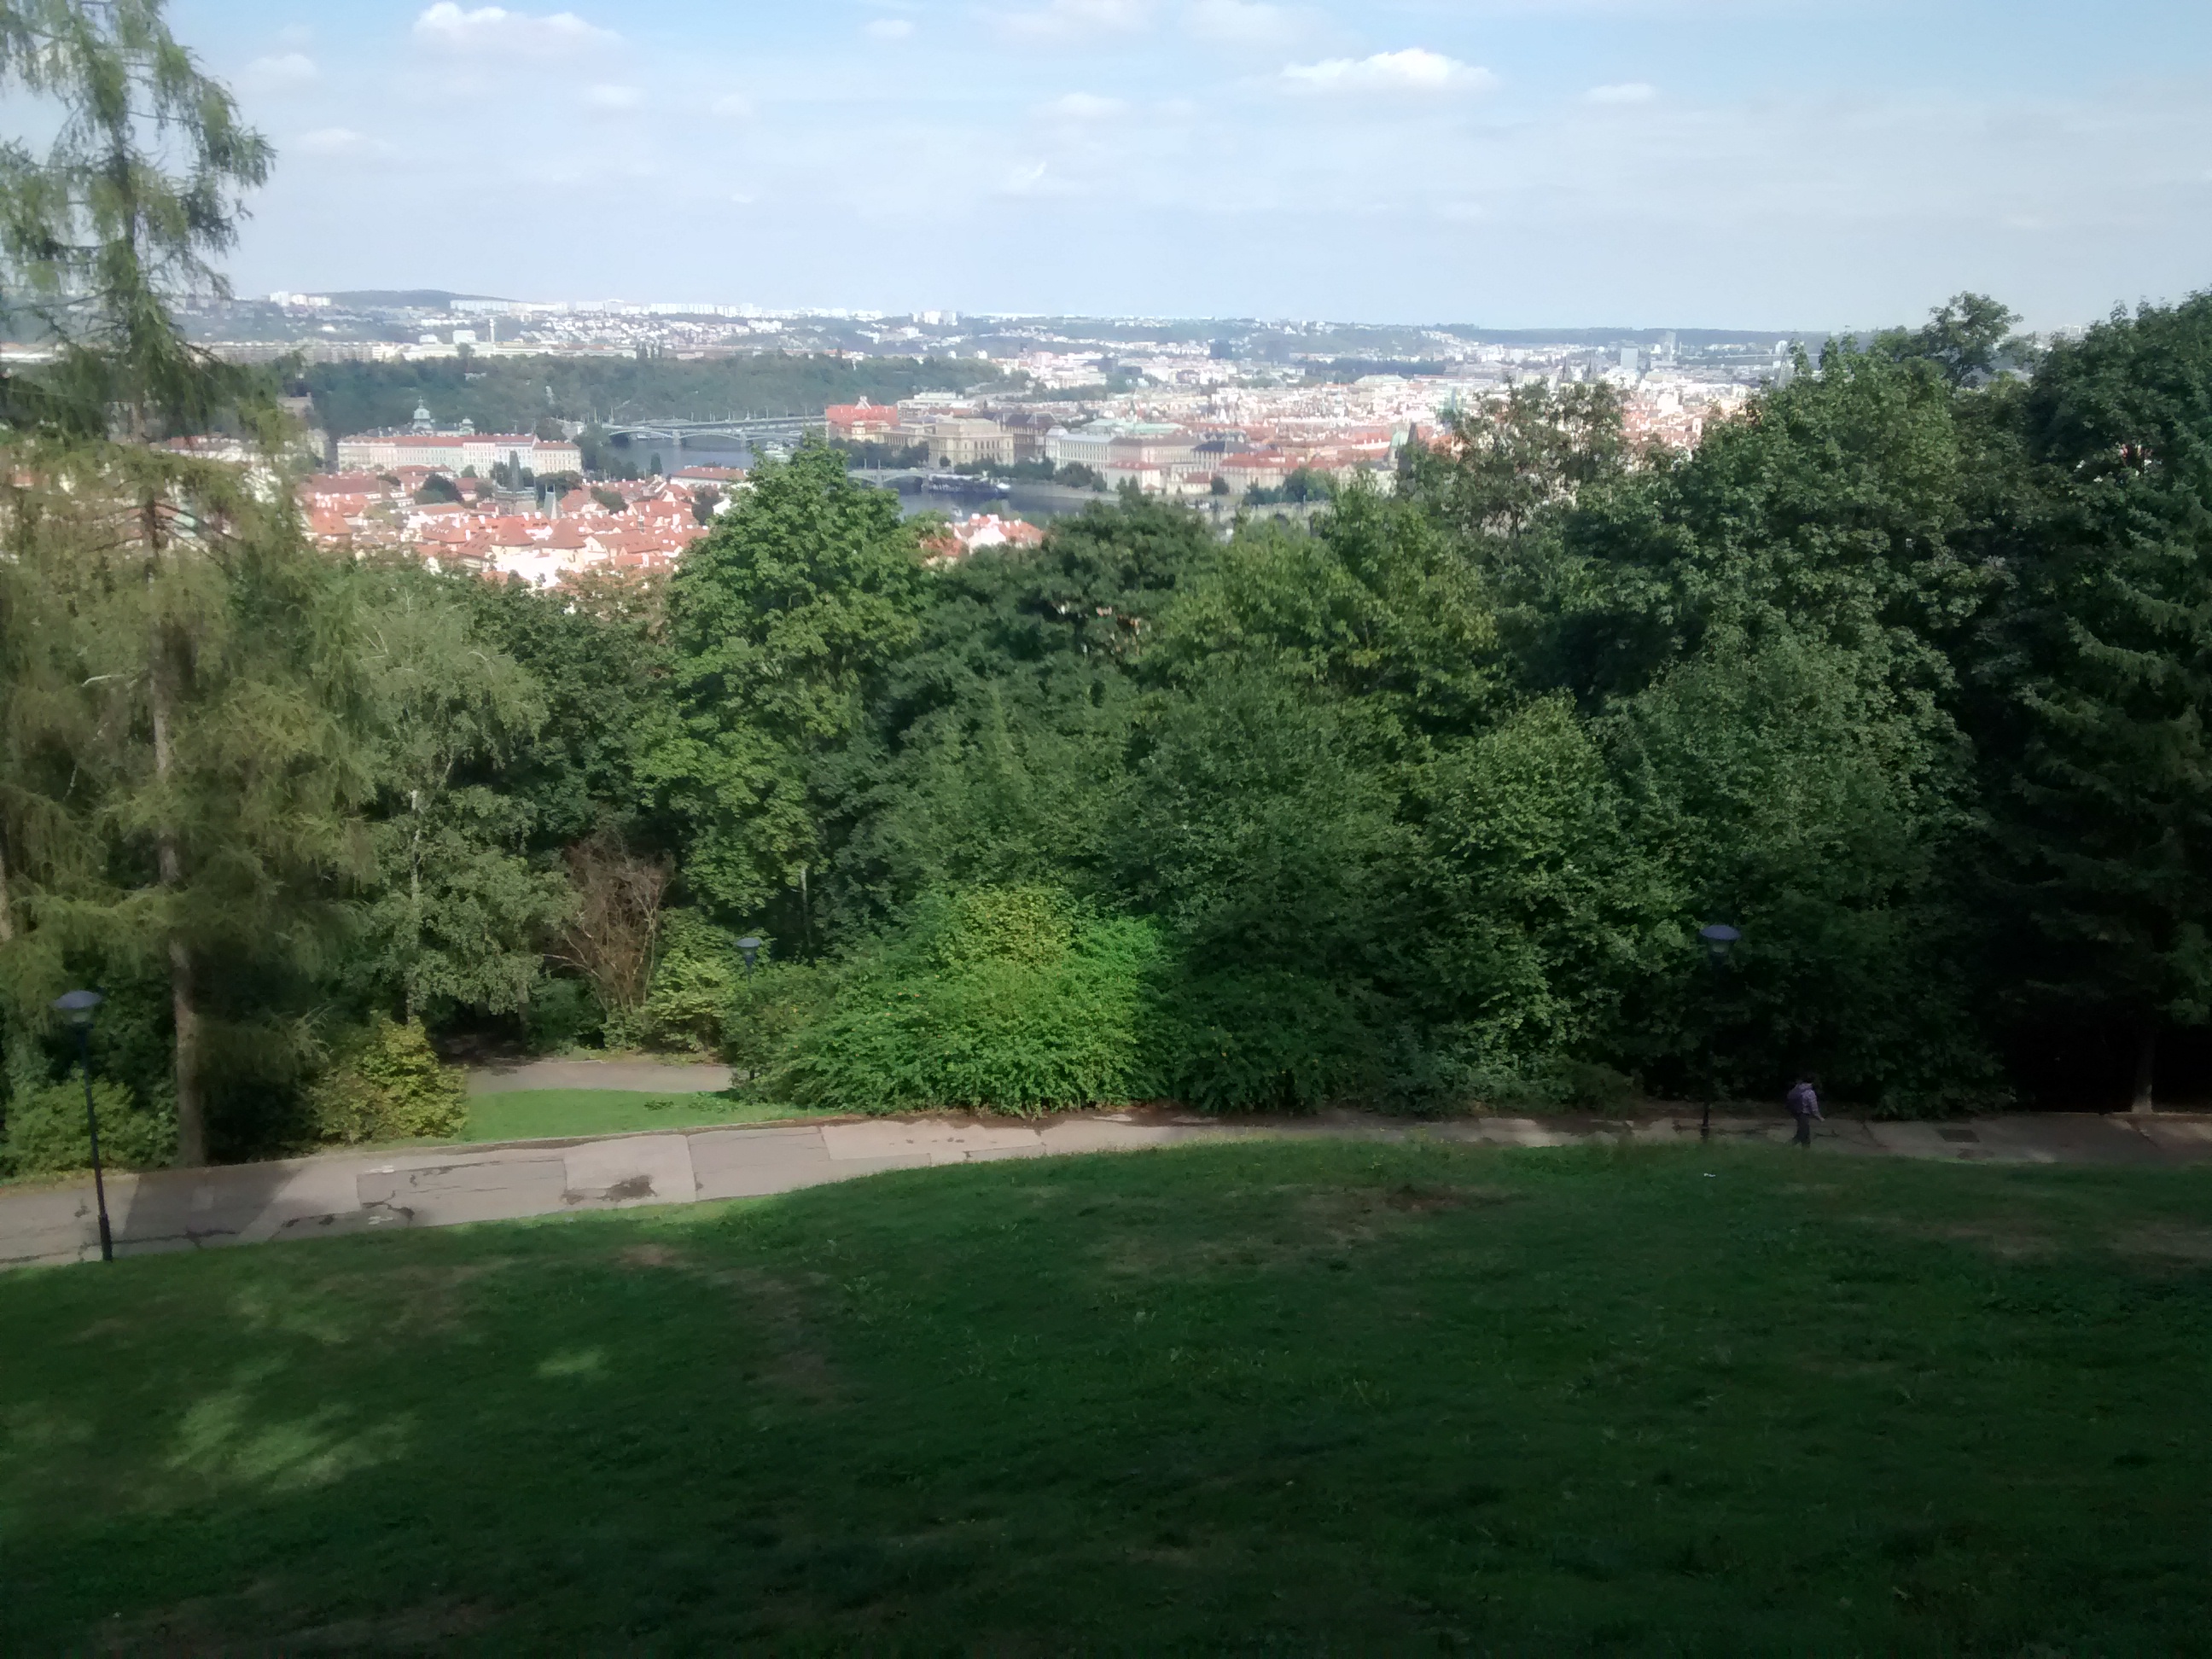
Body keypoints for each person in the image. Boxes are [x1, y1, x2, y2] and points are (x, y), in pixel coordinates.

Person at [1786, 1075, 1821, 1146]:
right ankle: (1786, 1146)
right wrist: (1819, 1117)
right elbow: (1814, 1107)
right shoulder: (1810, 1092)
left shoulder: (1797, 1088)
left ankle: (1806, 1150)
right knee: (1802, 1133)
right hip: (1804, 1114)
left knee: (1806, 1133)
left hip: (1795, 1113)